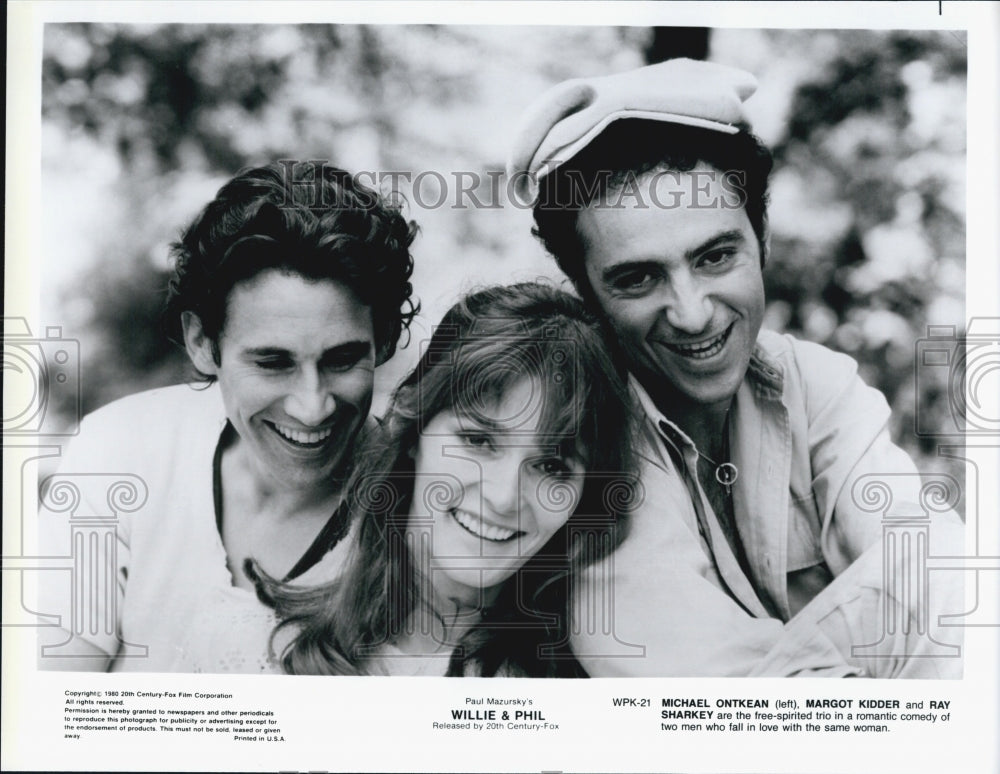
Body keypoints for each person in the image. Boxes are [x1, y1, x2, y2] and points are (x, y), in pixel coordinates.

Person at [507, 58, 964, 677]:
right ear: (585, 293)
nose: (692, 314)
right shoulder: (579, 443)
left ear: (762, 239)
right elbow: (718, 712)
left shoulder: (816, 386)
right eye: (638, 279)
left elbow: (957, 601)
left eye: (716, 256)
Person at [36, 162, 418, 672]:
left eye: (343, 360)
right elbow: (50, 715)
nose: (313, 405)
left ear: (385, 338)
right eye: (272, 362)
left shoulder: (424, 515)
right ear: (202, 343)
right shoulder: (119, 452)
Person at [252, 283, 637, 676]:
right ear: (412, 427)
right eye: (478, 439)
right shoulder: (257, 650)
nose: (504, 497)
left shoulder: (596, 684)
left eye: (552, 466)